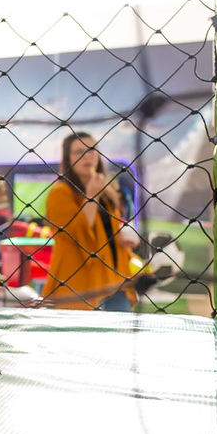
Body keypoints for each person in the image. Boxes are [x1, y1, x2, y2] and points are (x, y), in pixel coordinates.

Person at [42, 131, 139, 311]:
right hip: (79, 287)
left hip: (116, 282)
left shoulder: (106, 190)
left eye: (92, 150)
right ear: (68, 158)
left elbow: (104, 232)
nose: (87, 156)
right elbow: (77, 233)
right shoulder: (60, 192)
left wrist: (122, 238)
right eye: (79, 152)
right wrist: (91, 196)